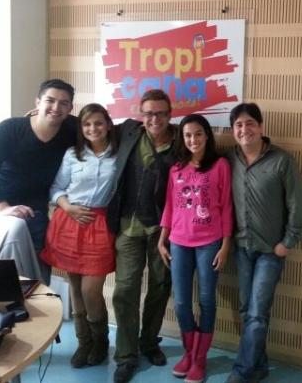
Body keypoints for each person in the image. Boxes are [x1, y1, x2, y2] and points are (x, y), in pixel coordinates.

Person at [225, 103, 302, 383]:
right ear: (233, 130)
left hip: (271, 251)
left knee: (257, 313)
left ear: (260, 127)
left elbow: (297, 204)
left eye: (250, 123)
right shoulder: (229, 159)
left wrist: (288, 242)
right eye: (238, 125)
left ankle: (242, 371)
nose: (244, 129)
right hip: (242, 248)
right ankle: (259, 365)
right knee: (248, 310)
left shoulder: (282, 160)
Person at [107, 89, 179, 383]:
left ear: (170, 114)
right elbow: (90, 125)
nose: (155, 119)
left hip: (164, 229)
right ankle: (126, 355)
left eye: (161, 113)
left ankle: (148, 342)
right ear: (140, 113)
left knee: (161, 286)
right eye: (149, 113)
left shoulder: (182, 141)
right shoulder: (127, 131)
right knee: (125, 290)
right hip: (128, 225)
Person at [40, 103, 118, 368]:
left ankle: (100, 342)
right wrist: (68, 207)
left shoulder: (119, 154)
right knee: (75, 287)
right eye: (87, 124)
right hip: (69, 221)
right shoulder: (73, 154)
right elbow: (56, 187)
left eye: (98, 123)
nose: (93, 128)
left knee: (90, 290)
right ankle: (84, 343)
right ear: (81, 128)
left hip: (100, 224)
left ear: (108, 125)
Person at [158, 114, 233, 383]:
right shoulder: (176, 169)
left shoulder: (220, 165)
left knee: (207, 300)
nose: (193, 140)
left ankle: (200, 358)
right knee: (180, 303)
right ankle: (189, 353)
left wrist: (225, 245)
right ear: (182, 138)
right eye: (188, 135)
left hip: (210, 242)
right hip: (179, 242)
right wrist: (162, 239)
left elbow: (227, 206)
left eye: (198, 134)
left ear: (207, 135)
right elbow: (170, 206)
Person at [0, 79, 76, 284]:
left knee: (37, 275)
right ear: (37, 102)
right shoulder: (10, 129)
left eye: (63, 103)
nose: (56, 107)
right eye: (50, 101)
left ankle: (39, 302)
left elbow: (101, 127)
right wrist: (2, 207)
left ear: (70, 108)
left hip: (35, 211)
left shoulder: (72, 129)